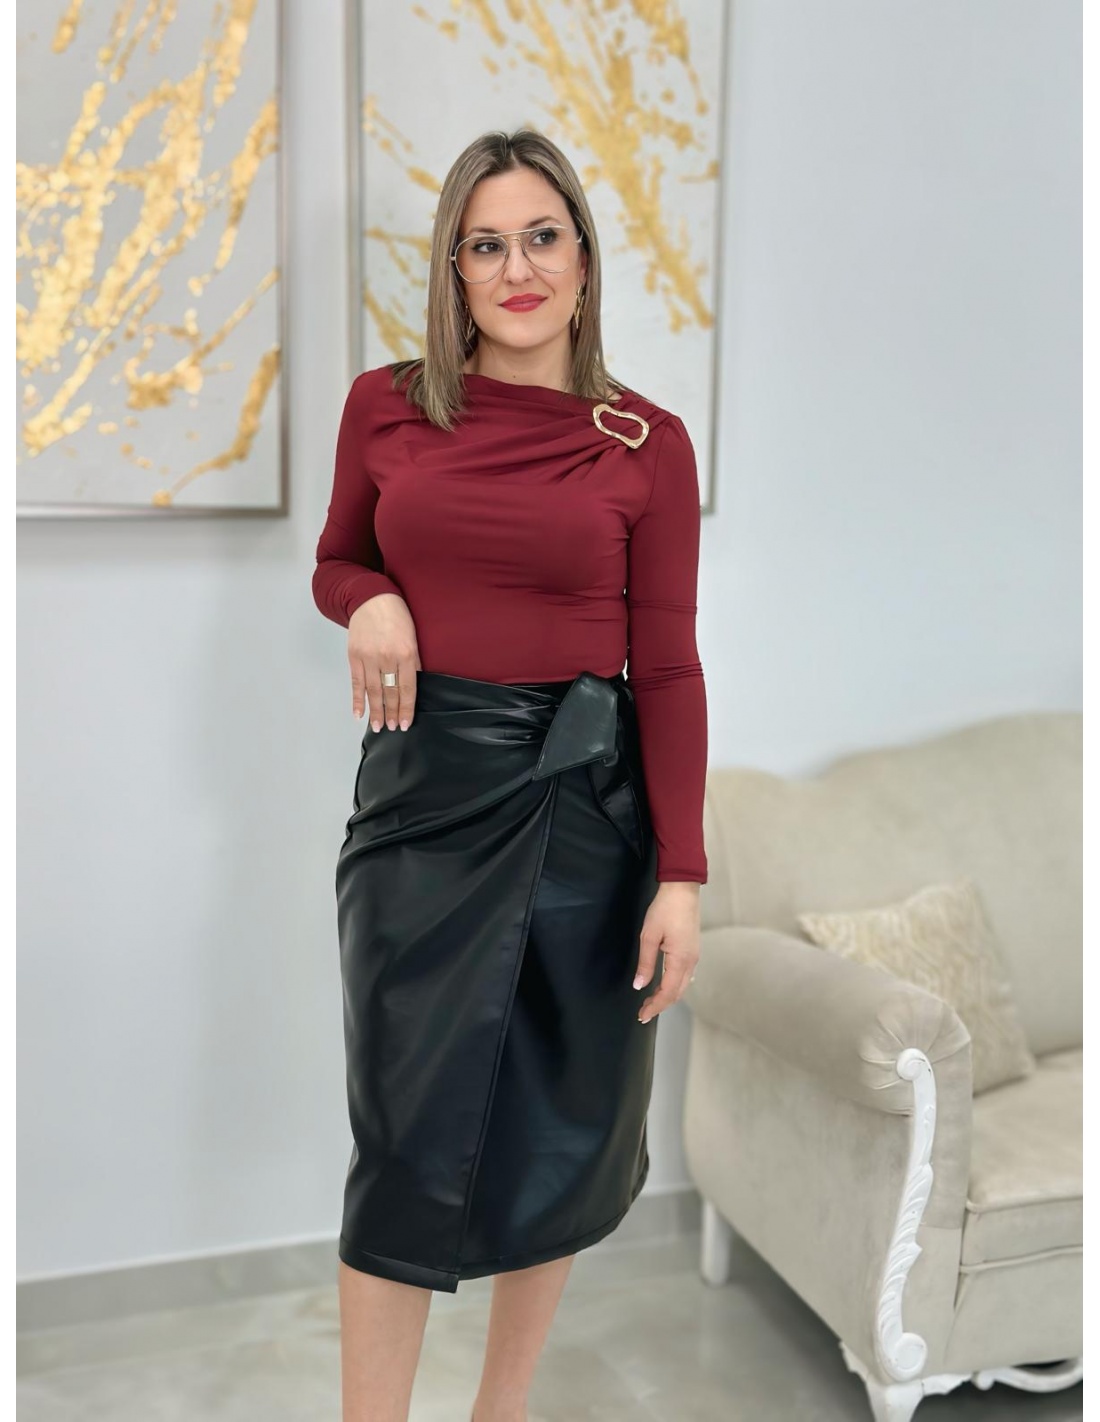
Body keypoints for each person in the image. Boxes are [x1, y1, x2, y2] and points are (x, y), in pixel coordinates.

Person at [312, 127, 708, 1422]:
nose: (517, 268)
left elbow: (668, 668)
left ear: (584, 259)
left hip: (586, 809)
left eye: (542, 237)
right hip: (421, 800)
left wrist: (683, 875)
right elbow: (336, 559)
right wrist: (372, 599)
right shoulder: (387, 405)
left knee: (559, 1128)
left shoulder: (646, 442)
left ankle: (503, 1411)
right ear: (455, 271)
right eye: (486, 245)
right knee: (401, 1140)